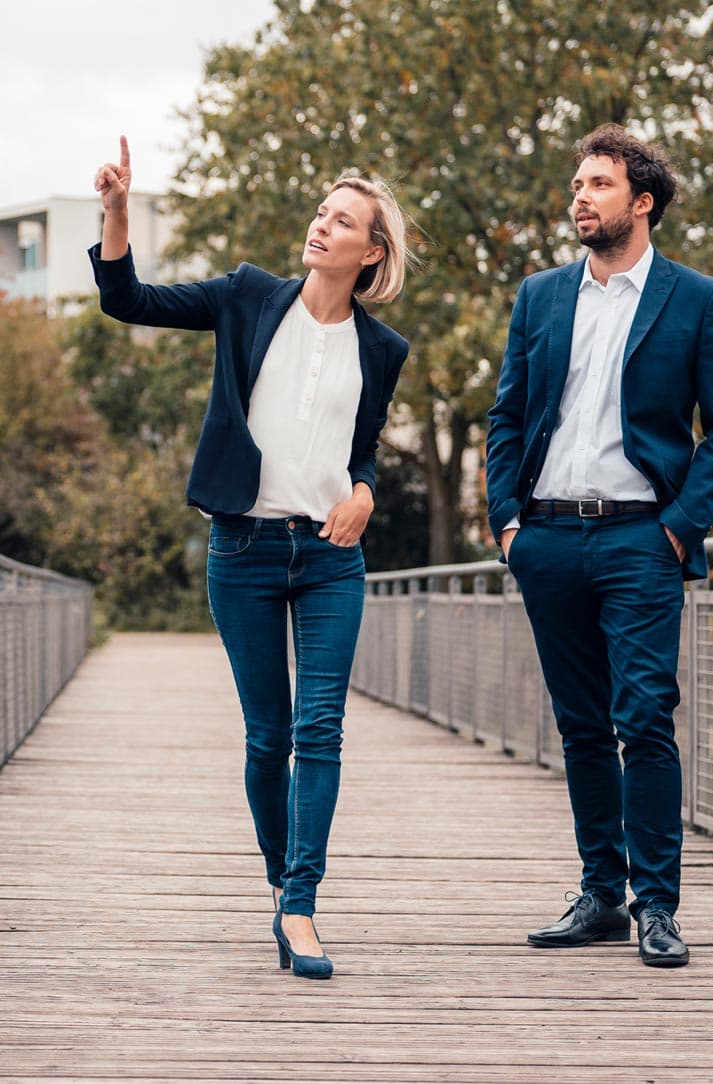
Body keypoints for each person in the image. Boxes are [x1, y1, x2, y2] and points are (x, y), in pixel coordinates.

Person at [92, 136, 413, 980]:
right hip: (242, 549)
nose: (321, 226)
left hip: (330, 558)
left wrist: (366, 492)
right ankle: (281, 882)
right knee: (269, 737)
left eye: (342, 221)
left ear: (371, 251)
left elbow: (365, 446)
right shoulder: (244, 298)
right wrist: (118, 213)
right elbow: (129, 301)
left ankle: (301, 905)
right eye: (320, 212)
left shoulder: (382, 350)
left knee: (321, 730)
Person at [485, 125, 713, 968]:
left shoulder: (696, 300)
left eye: (598, 184)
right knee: (580, 727)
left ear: (641, 201)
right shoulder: (540, 296)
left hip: (643, 535)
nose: (580, 197)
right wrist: (507, 521)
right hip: (549, 537)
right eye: (577, 184)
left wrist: (678, 529)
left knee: (644, 719)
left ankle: (658, 905)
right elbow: (507, 416)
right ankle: (602, 892)